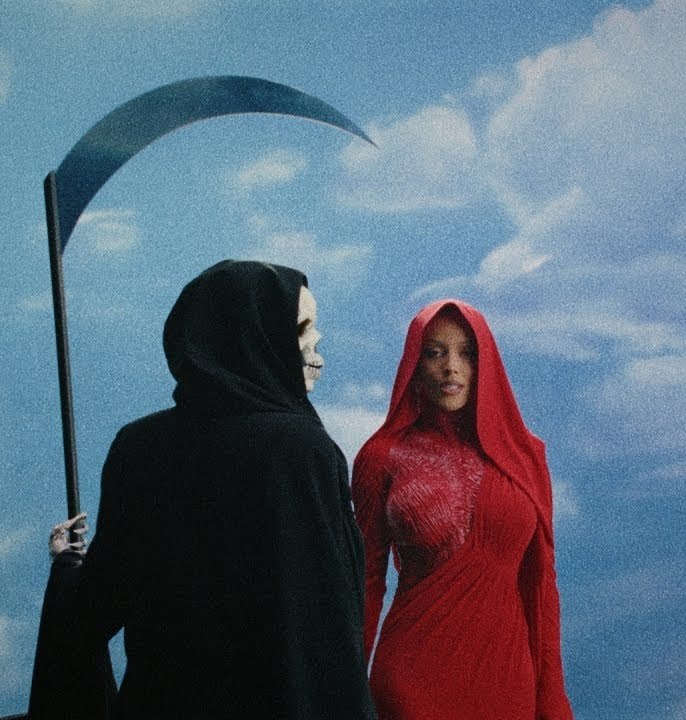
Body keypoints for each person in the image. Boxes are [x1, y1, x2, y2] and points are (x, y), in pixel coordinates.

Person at [31, 260, 377, 720]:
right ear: (252, 338)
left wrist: (66, 566)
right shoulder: (304, 451)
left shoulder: (138, 445)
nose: (317, 342)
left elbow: (98, 605)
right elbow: (333, 624)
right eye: (300, 328)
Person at [351, 300, 573, 720]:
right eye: (435, 353)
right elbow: (364, 582)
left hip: (507, 684)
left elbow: (542, 585)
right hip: (410, 682)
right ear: (414, 364)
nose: (451, 367)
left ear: (485, 362)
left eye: (467, 353)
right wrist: (341, 695)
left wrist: (552, 701)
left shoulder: (526, 456)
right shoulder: (381, 457)